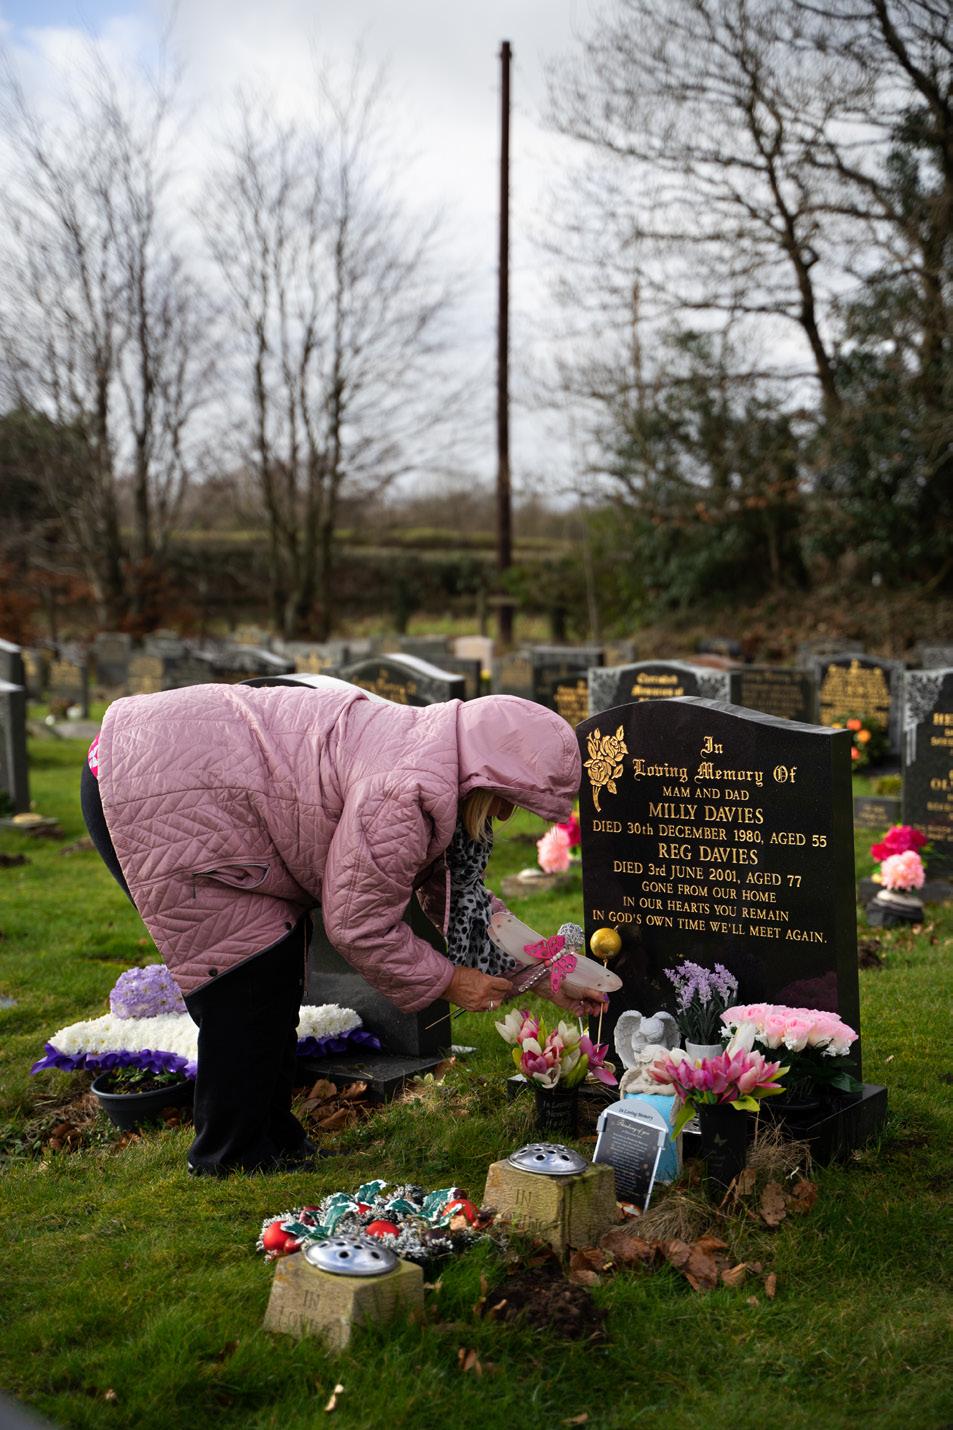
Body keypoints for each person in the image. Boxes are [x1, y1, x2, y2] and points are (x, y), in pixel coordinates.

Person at [81, 679, 607, 1176]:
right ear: (489, 772)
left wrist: (546, 974)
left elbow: (461, 899)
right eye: (511, 800)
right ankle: (229, 1156)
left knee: (273, 976)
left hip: (184, 772)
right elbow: (358, 925)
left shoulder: (439, 758)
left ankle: (271, 1139)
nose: (508, 816)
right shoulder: (403, 791)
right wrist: (449, 981)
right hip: (152, 785)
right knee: (244, 980)